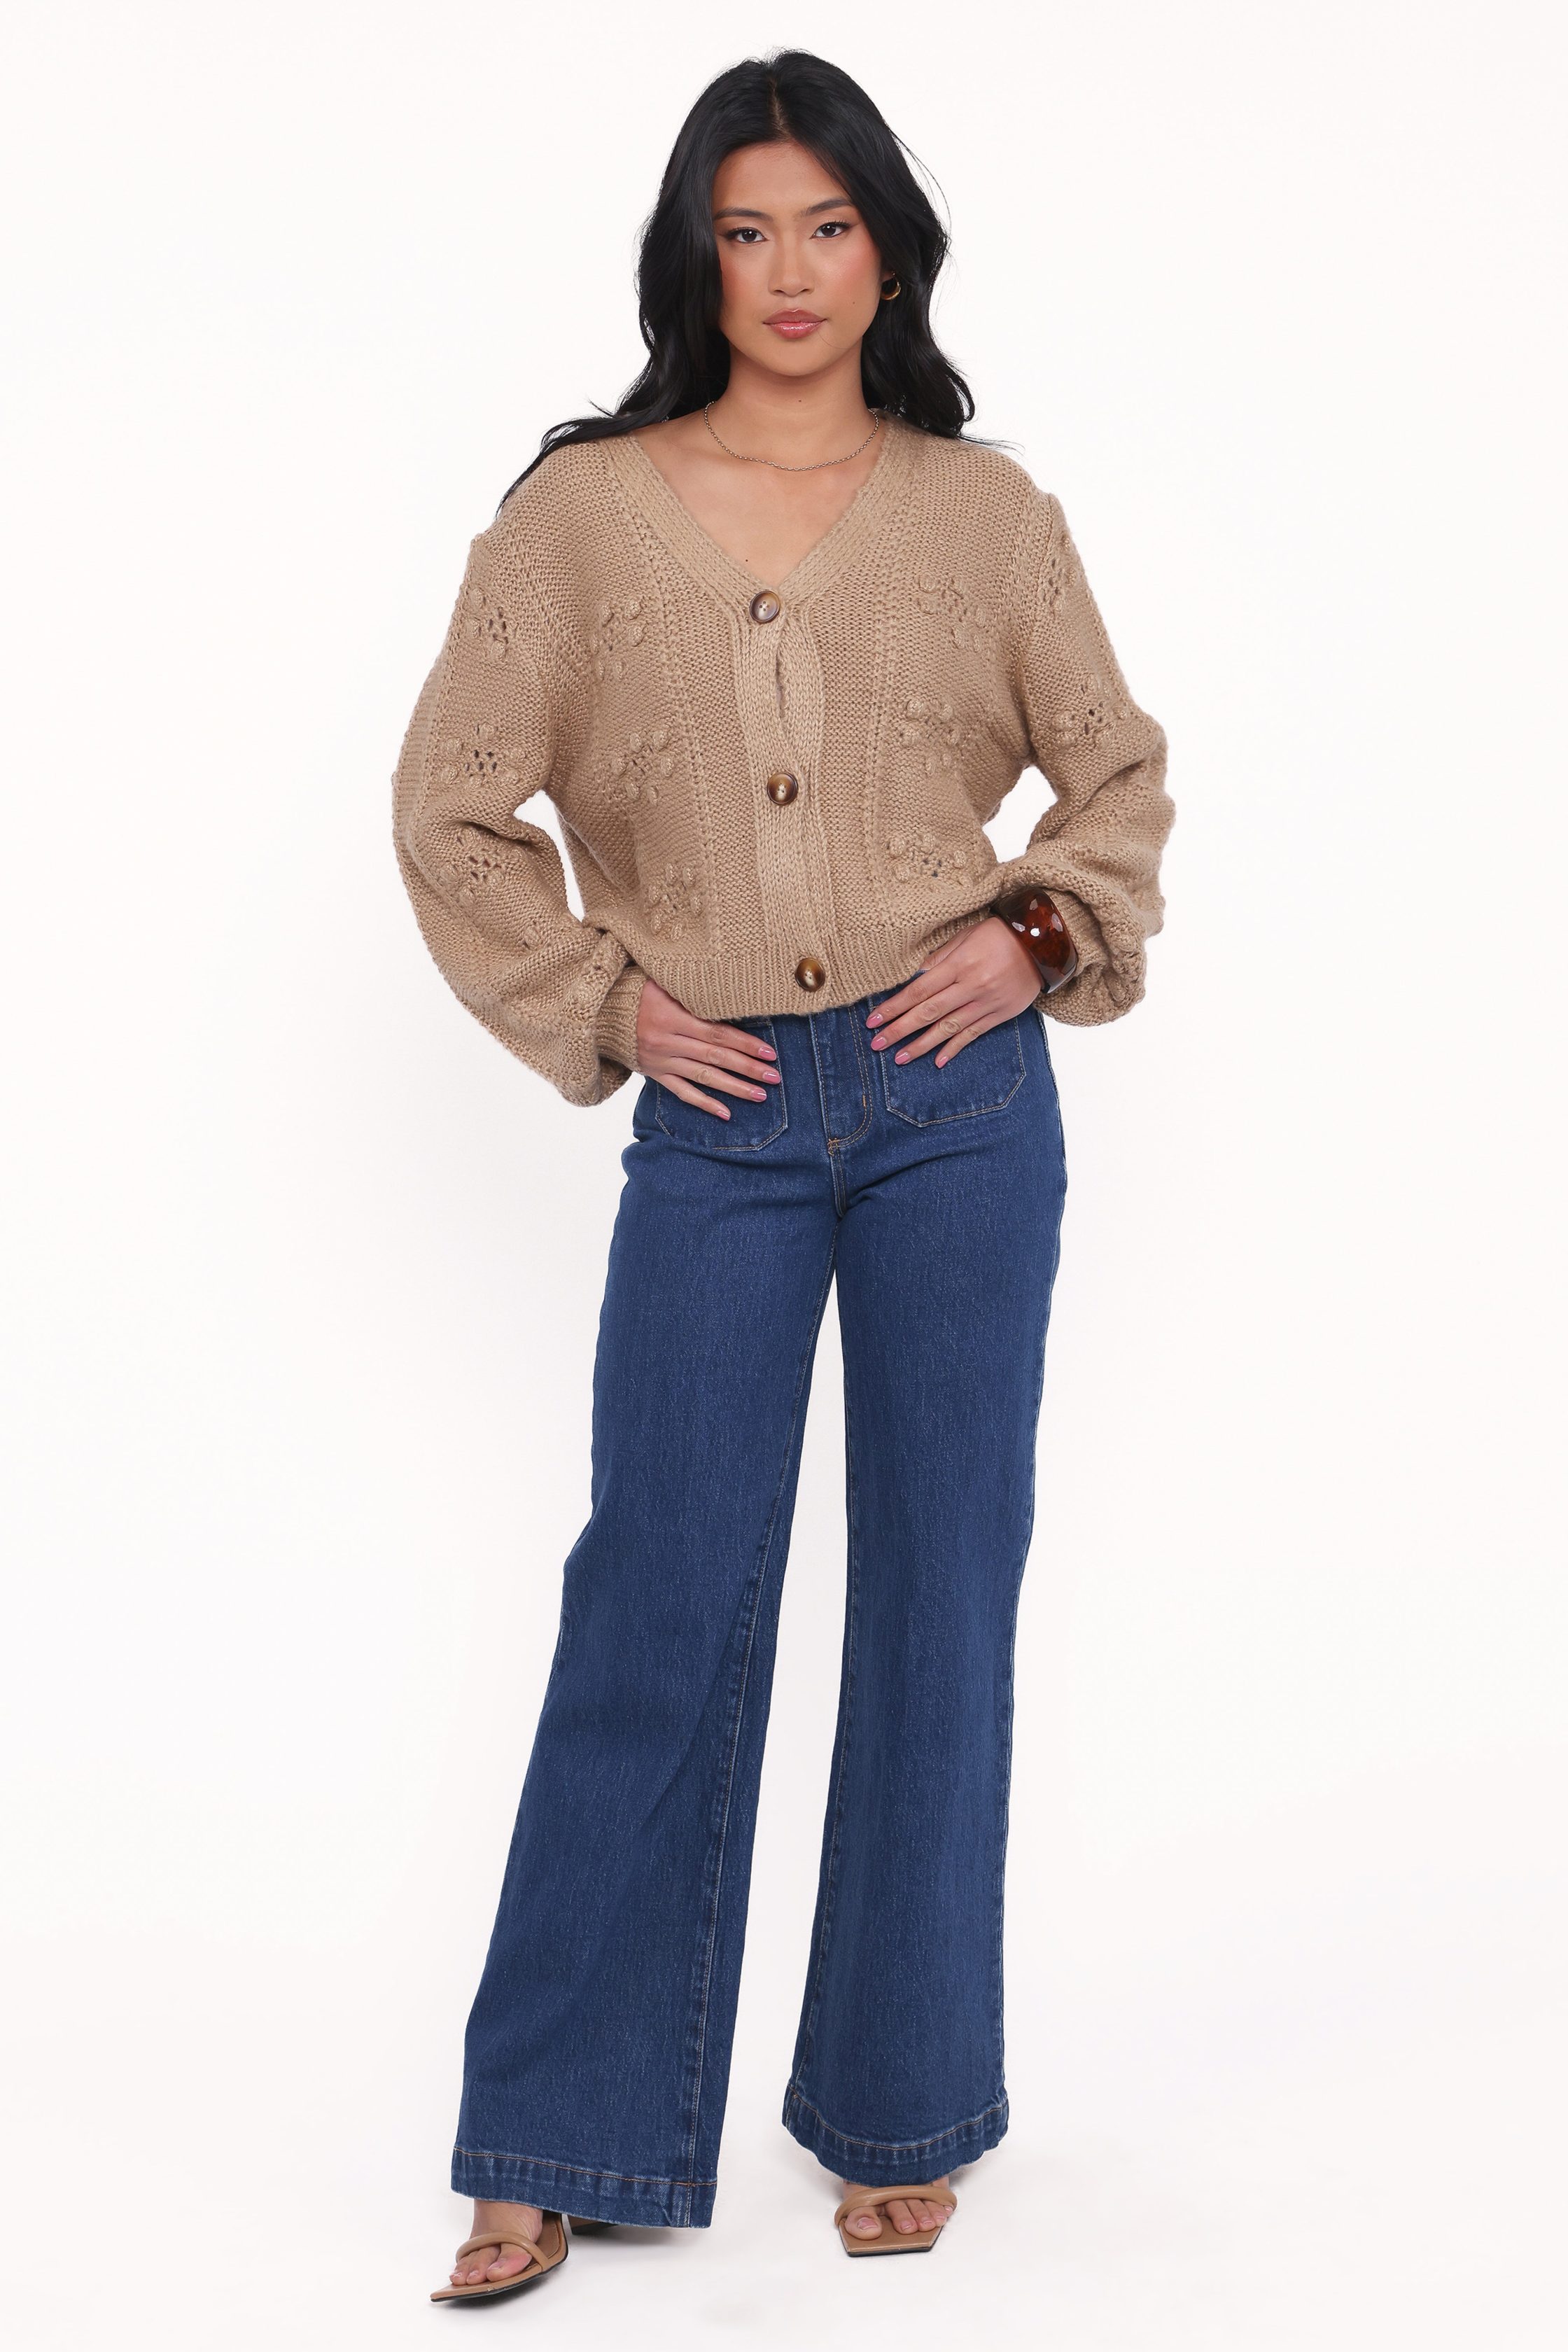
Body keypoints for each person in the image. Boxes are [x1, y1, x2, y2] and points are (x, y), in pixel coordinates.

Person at [393, 48, 1172, 2302]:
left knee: (941, 1592)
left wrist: (1036, 938)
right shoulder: (577, 520)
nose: (792, 271)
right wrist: (609, 1005)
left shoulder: (984, 517)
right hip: (720, 1116)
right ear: (695, 258)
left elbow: (1117, 776)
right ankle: (556, 2131)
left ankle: (901, 2104)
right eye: (747, 231)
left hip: (958, 1112)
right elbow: (451, 810)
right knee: (661, 1586)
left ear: (889, 253)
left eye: (829, 226)